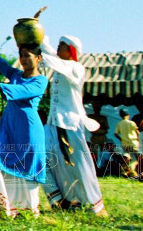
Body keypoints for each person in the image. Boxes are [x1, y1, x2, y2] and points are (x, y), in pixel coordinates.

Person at [0, 18, 48, 222]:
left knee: (25, 167)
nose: (24, 59)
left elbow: (23, 91)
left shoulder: (40, 81)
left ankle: (25, 209)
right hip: (9, 128)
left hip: (28, 130)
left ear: (39, 58)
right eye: (21, 55)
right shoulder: (15, 74)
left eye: (28, 56)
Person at [37, 19, 106, 215]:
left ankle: (93, 205)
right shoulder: (61, 64)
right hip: (52, 123)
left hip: (70, 124)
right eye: (58, 45)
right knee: (39, 156)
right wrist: (39, 33)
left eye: (62, 46)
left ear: (71, 51)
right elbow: (50, 53)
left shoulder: (76, 67)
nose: (57, 48)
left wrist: (39, 50)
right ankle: (60, 199)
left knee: (78, 165)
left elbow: (52, 59)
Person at [114, 109, 139, 178]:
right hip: (134, 142)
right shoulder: (132, 123)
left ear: (121, 116)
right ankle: (133, 171)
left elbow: (115, 134)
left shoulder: (119, 123)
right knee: (138, 158)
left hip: (125, 143)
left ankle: (124, 172)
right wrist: (139, 140)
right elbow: (137, 132)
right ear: (128, 115)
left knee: (127, 158)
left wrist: (121, 139)